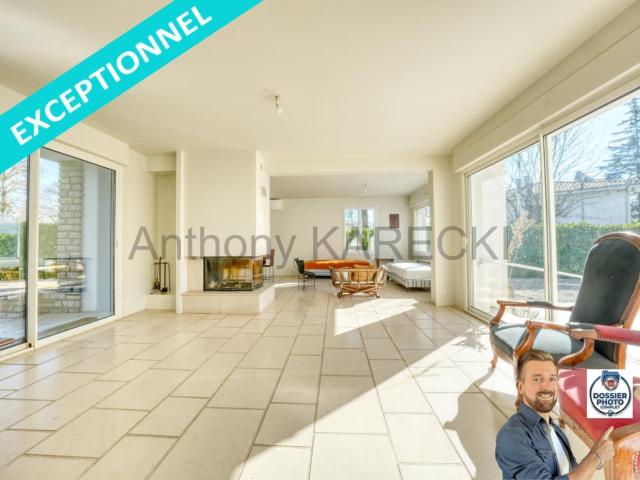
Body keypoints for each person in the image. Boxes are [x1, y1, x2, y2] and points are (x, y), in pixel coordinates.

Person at [495, 350, 615, 479]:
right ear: (520, 387)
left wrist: (597, 456)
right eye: (537, 379)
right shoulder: (513, 435)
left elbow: (573, 473)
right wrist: (595, 457)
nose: (547, 386)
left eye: (552, 379)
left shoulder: (555, 429)